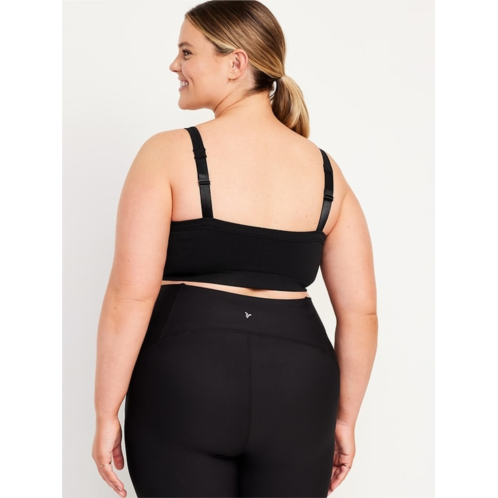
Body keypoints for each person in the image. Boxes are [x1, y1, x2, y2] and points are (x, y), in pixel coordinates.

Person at [91, 1, 378, 497]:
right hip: (300, 389)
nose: (174, 65)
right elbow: (361, 313)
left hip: (189, 379)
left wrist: (104, 411)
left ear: (236, 63)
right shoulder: (327, 171)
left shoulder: (167, 153)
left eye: (187, 52)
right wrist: (345, 420)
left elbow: (130, 296)